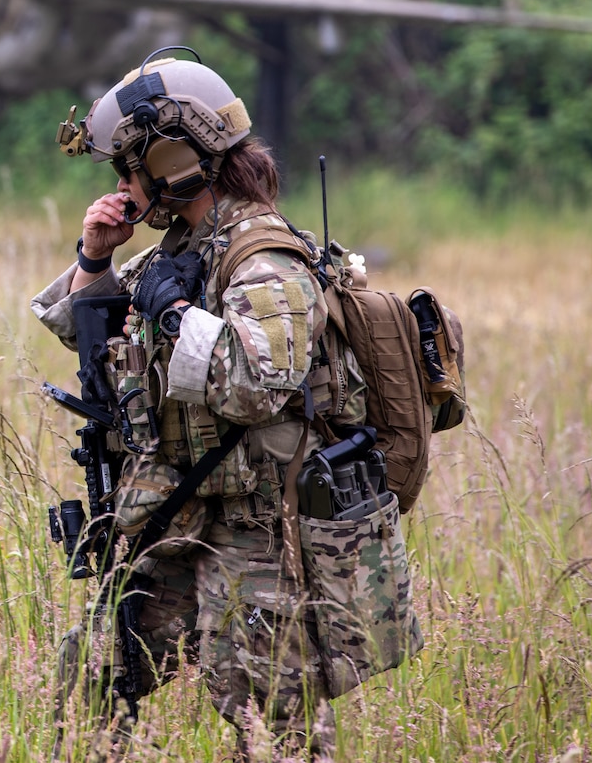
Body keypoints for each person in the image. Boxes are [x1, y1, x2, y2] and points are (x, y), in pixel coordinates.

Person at [33, 52, 400, 760]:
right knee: (101, 672)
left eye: (128, 169)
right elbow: (95, 337)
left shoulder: (263, 257)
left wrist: (173, 313)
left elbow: (259, 384)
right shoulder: (188, 247)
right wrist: (96, 259)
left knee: (272, 719)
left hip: (257, 527)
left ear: (172, 160)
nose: (122, 186)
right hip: (181, 512)